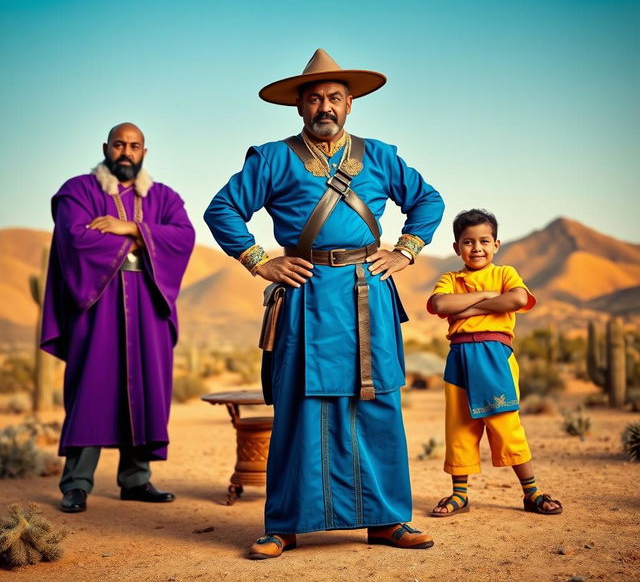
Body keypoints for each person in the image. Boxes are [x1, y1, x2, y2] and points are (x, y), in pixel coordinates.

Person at [204, 49, 445, 559]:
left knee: (376, 404)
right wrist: (258, 260)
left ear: (350, 103)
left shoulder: (379, 155)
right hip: (305, 296)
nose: (324, 106)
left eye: (334, 97)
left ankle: (386, 520)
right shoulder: (270, 158)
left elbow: (429, 201)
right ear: (299, 106)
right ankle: (285, 524)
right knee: (298, 408)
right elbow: (221, 208)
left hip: (367, 293)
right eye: (314, 98)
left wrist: (405, 251)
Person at [41, 122, 195, 513]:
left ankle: (136, 479)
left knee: (144, 387)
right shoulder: (79, 190)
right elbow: (76, 238)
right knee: (90, 389)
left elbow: (183, 236)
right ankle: (76, 483)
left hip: (148, 300)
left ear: (145, 151)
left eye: (135, 146)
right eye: (119, 145)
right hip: (98, 301)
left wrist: (128, 227)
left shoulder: (163, 196)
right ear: (106, 148)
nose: (126, 152)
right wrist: (147, 237)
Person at [426, 208, 562, 517]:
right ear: (456, 247)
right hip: (459, 358)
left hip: (494, 357)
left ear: (496, 245)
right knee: (459, 426)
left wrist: (469, 310)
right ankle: (459, 495)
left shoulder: (505, 273)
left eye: (484, 241)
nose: (476, 248)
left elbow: (516, 299)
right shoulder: (450, 278)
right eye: (468, 242)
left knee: (505, 422)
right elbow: (440, 304)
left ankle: (532, 492)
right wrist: (489, 297)